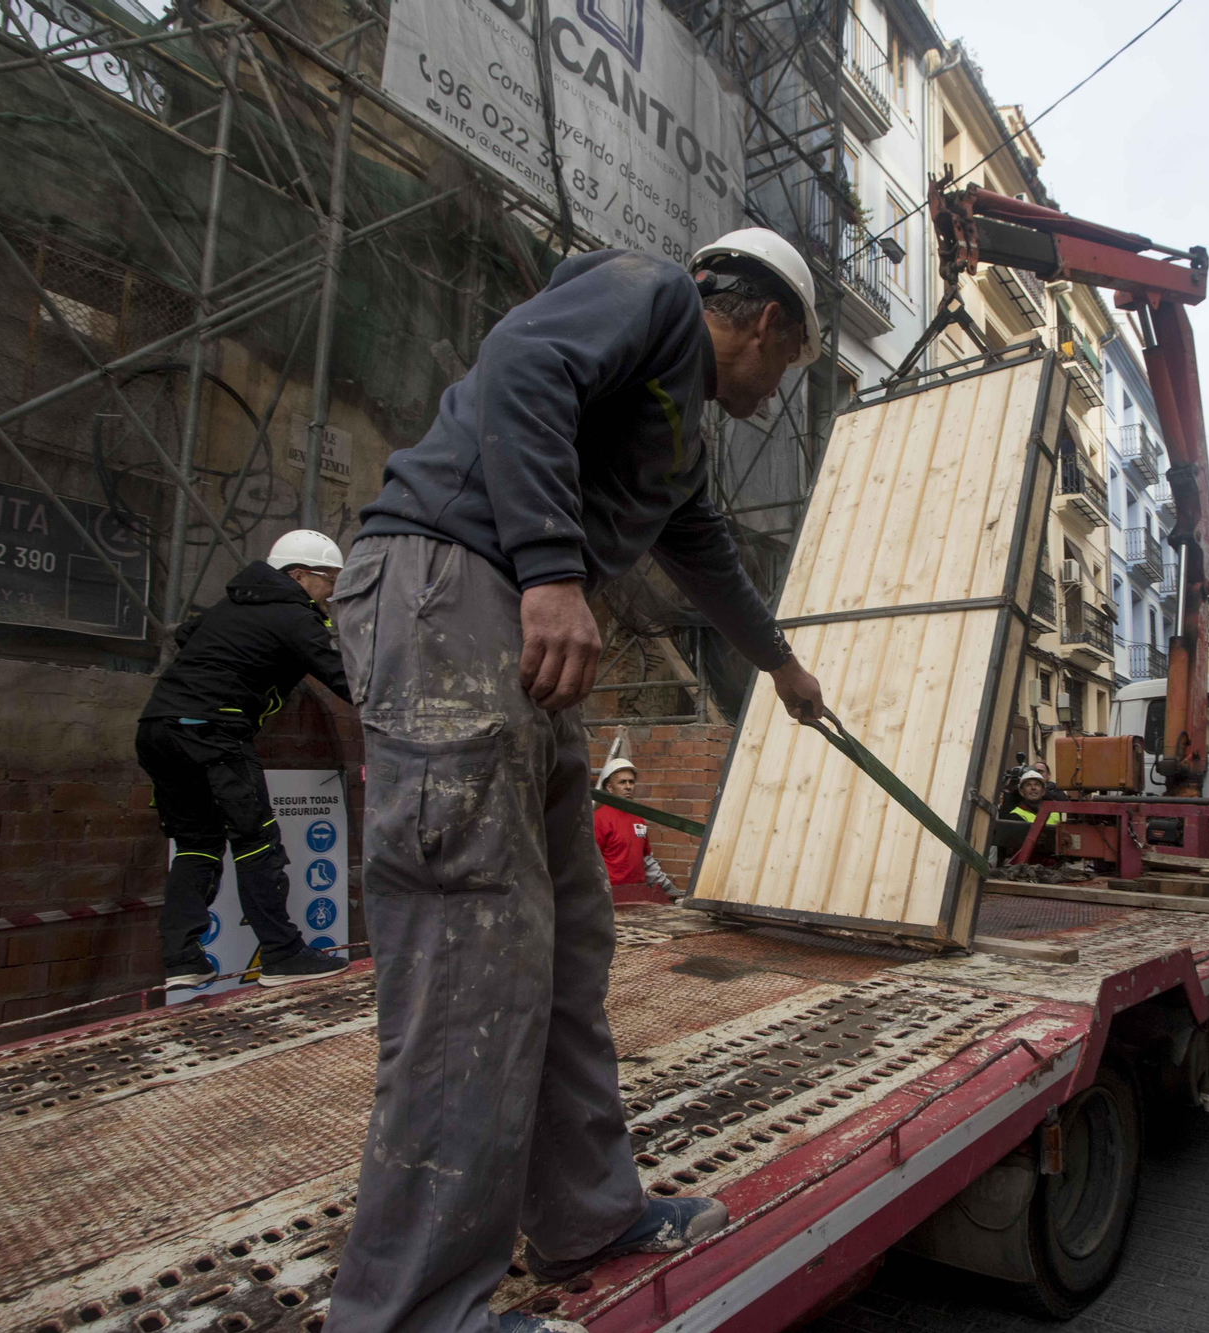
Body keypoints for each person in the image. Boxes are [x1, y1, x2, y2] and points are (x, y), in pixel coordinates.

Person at [327, 229, 827, 1333]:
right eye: (783, 365)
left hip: (504, 621)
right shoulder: (645, 293)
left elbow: (704, 559)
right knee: (471, 952)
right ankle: (409, 1313)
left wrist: (782, 668)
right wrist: (554, 571)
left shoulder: (673, 433)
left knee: (561, 933)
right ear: (762, 324)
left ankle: (585, 1211)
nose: (775, 383)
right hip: (454, 584)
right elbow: (521, 366)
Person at [135, 529, 354, 990]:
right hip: (213, 730)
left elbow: (190, 635)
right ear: (298, 575)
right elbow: (345, 680)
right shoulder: (293, 614)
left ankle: (182, 959)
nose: (332, 591)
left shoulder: (232, 605)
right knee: (256, 840)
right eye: (328, 579)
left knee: (196, 842)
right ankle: (281, 954)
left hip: (158, 727)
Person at [593, 758, 678, 901]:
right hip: (609, 898)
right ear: (609, 787)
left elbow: (647, 862)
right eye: (622, 782)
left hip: (637, 896)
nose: (628, 786)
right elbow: (590, 864)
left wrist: (671, 891)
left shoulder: (638, 818)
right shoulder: (598, 819)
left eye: (631, 782)